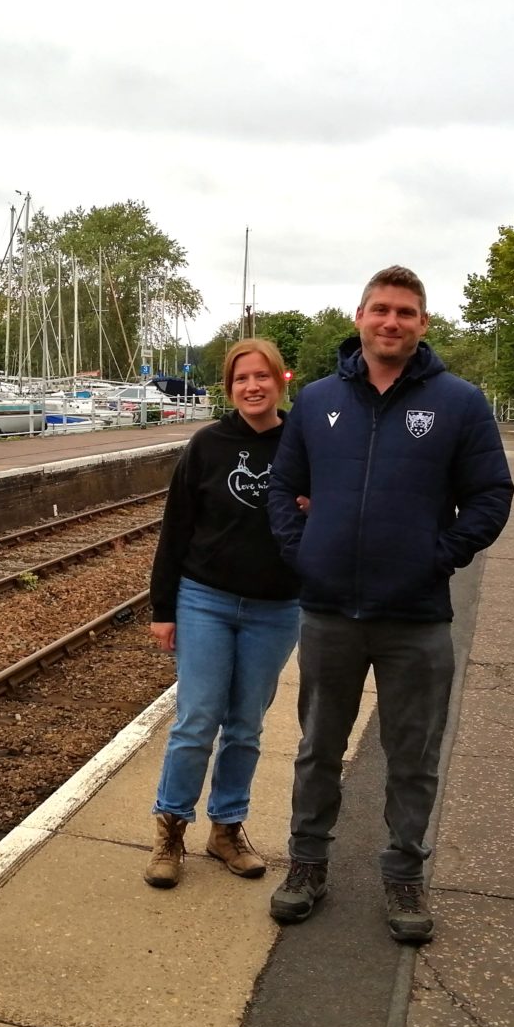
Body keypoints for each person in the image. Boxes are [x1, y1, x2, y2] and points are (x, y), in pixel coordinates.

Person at [266, 266, 513, 941]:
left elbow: (492, 494)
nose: (392, 322)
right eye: (381, 310)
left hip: (416, 618)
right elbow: (283, 489)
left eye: (406, 312)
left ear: (423, 324)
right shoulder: (317, 402)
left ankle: (404, 873)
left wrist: (439, 555)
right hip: (328, 615)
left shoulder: (460, 403)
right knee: (318, 747)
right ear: (360, 318)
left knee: (414, 755)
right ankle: (308, 864)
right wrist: (304, 552)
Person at [144, 338, 302, 889]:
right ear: (229, 388)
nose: (252, 386)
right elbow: (175, 529)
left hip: (277, 607)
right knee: (196, 719)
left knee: (245, 726)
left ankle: (227, 829)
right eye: (241, 379)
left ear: (281, 380)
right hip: (204, 598)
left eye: (262, 376)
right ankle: (171, 831)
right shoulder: (207, 444)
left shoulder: (303, 445)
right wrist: (164, 608)